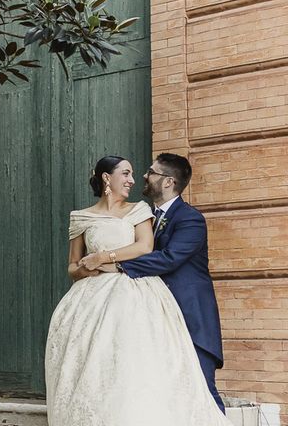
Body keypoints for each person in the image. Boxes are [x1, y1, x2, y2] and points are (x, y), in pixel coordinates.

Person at [44, 155, 231, 426]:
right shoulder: (145, 214)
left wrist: (109, 262)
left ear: (168, 182)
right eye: (130, 173)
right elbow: (74, 265)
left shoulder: (190, 219)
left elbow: (167, 258)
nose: (141, 177)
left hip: (189, 316)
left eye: (150, 172)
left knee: (199, 391)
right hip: (142, 319)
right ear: (106, 178)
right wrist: (87, 268)